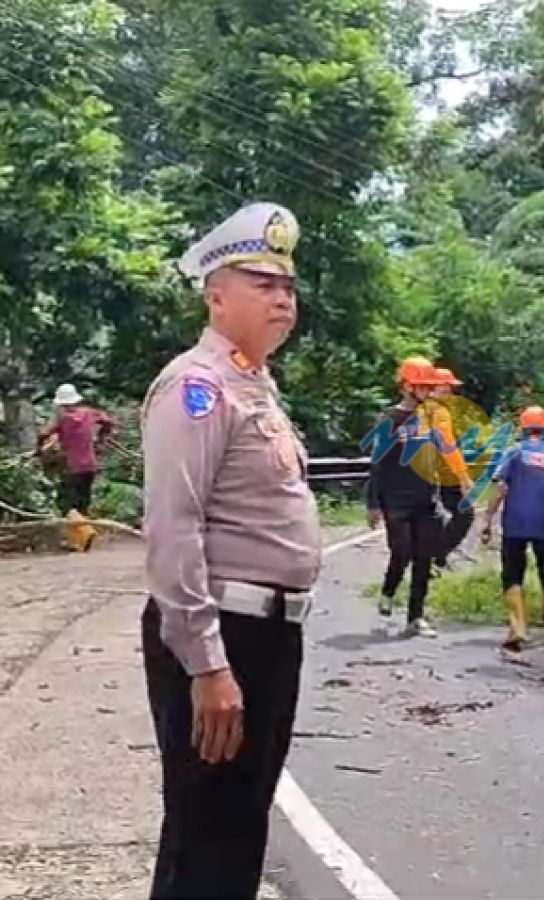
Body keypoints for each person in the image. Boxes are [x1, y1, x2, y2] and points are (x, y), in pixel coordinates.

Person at [140, 201, 322, 899]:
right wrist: (208, 664)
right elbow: (173, 527)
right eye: (262, 284)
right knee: (211, 833)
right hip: (225, 634)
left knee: (235, 831)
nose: (282, 299)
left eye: (288, 287)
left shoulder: (254, 385)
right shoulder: (198, 386)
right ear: (217, 296)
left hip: (270, 634)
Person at [365, 357, 466, 637]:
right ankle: (388, 591)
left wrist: (460, 478)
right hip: (396, 500)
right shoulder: (390, 418)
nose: (427, 391)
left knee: (424, 557)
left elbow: (446, 450)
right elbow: (377, 463)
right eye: (422, 385)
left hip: (426, 497)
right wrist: (373, 503)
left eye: (429, 386)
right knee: (403, 551)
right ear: (408, 386)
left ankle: (416, 616)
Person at [481, 406, 544, 651]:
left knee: (513, 572)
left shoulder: (514, 454)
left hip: (515, 522)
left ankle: (518, 629)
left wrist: (487, 519)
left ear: (523, 429)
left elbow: (501, 488)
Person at [37, 383, 116, 517]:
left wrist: (39, 449)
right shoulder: (89, 413)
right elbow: (108, 421)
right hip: (90, 465)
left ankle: (77, 533)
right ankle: (85, 530)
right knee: (84, 500)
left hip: (72, 467)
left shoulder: (62, 418)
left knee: (71, 503)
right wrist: (101, 438)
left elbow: (43, 434)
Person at [430, 366, 475, 570]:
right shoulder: (439, 412)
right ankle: (436, 556)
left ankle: (433, 556)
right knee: (464, 514)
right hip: (444, 475)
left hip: (429, 474)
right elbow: (448, 445)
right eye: (445, 389)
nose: (450, 394)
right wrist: (463, 477)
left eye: (451, 390)